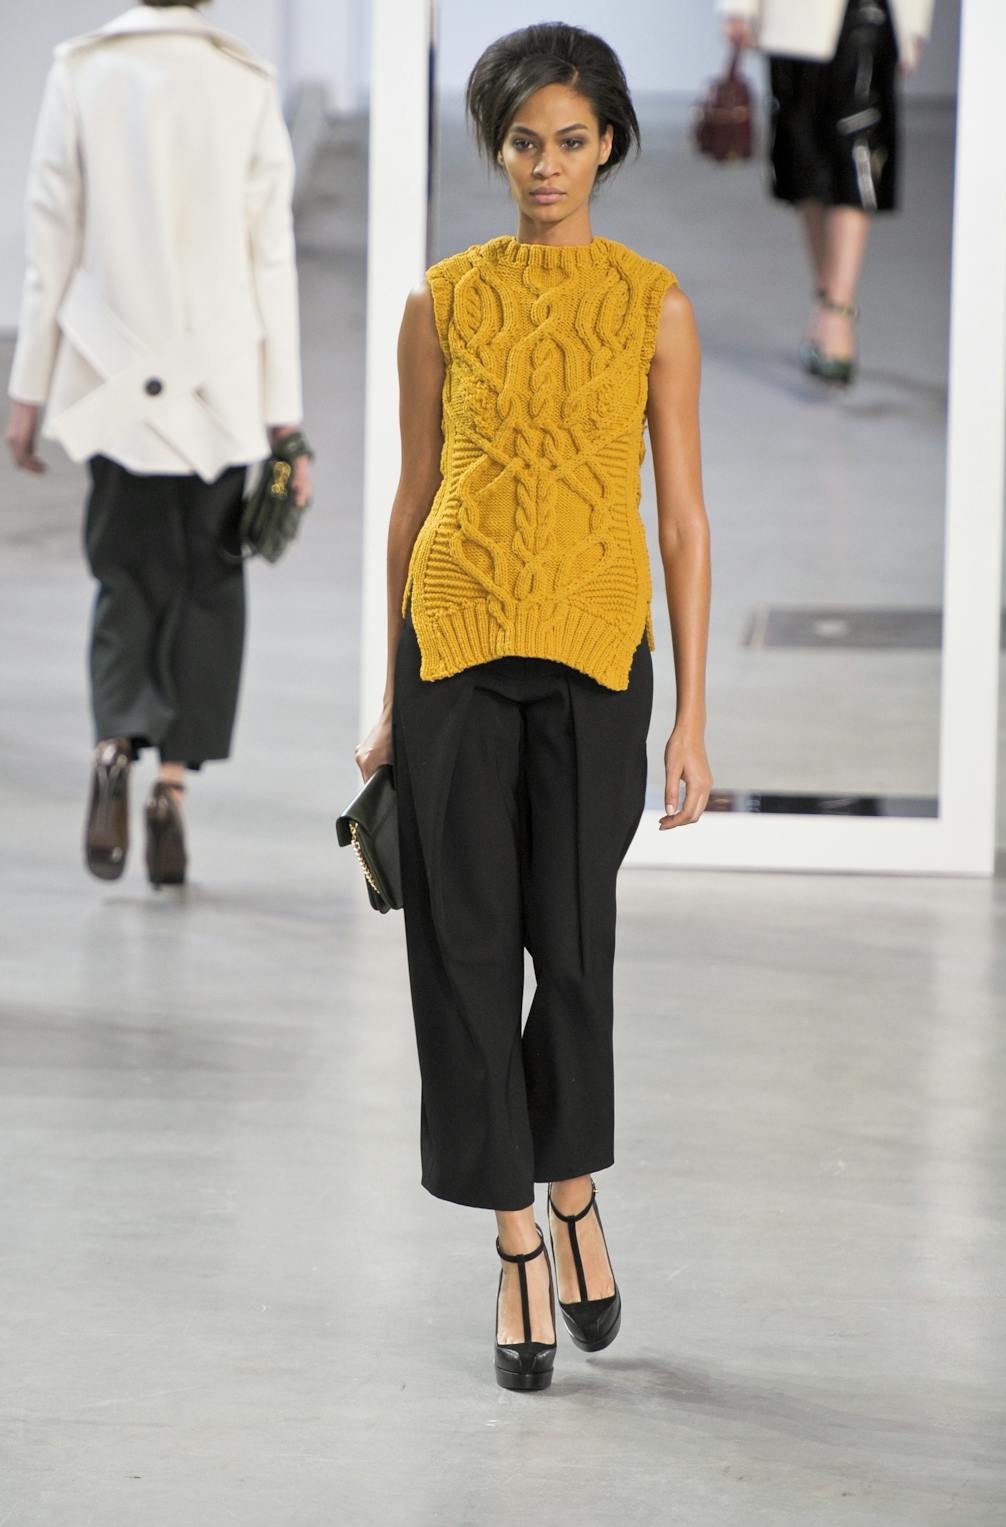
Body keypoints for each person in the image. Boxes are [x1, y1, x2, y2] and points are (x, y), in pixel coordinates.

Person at [354, 23, 712, 1392]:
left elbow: (680, 518)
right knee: (459, 951)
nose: (546, 165)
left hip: (595, 657)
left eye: (569, 140)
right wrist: (391, 690)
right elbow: (413, 499)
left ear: (608, 142)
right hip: (453, 647)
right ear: (496, 149)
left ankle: (572, 1190)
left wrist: (691, 717)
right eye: (522, 142)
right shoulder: (443, 301)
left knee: (569, 951)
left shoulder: (652, 306)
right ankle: (514, 1235)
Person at [4, 0, 312, 888]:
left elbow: (51, 240)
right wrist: (284, 418)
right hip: (220, 384)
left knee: (123, 576)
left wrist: (28, 389)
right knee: (208, 585)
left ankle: (113, 746)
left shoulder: (80, 71)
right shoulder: (244, 81)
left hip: (108, 378)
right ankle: (171, 788)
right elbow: (270, 256)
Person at [718, 0, 934, 384]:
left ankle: (837, 311)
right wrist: (737, 7)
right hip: (793, 16)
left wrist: (913, 24)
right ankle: (827, 300)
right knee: (801, 159)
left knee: (858, 147)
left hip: (870, 11)